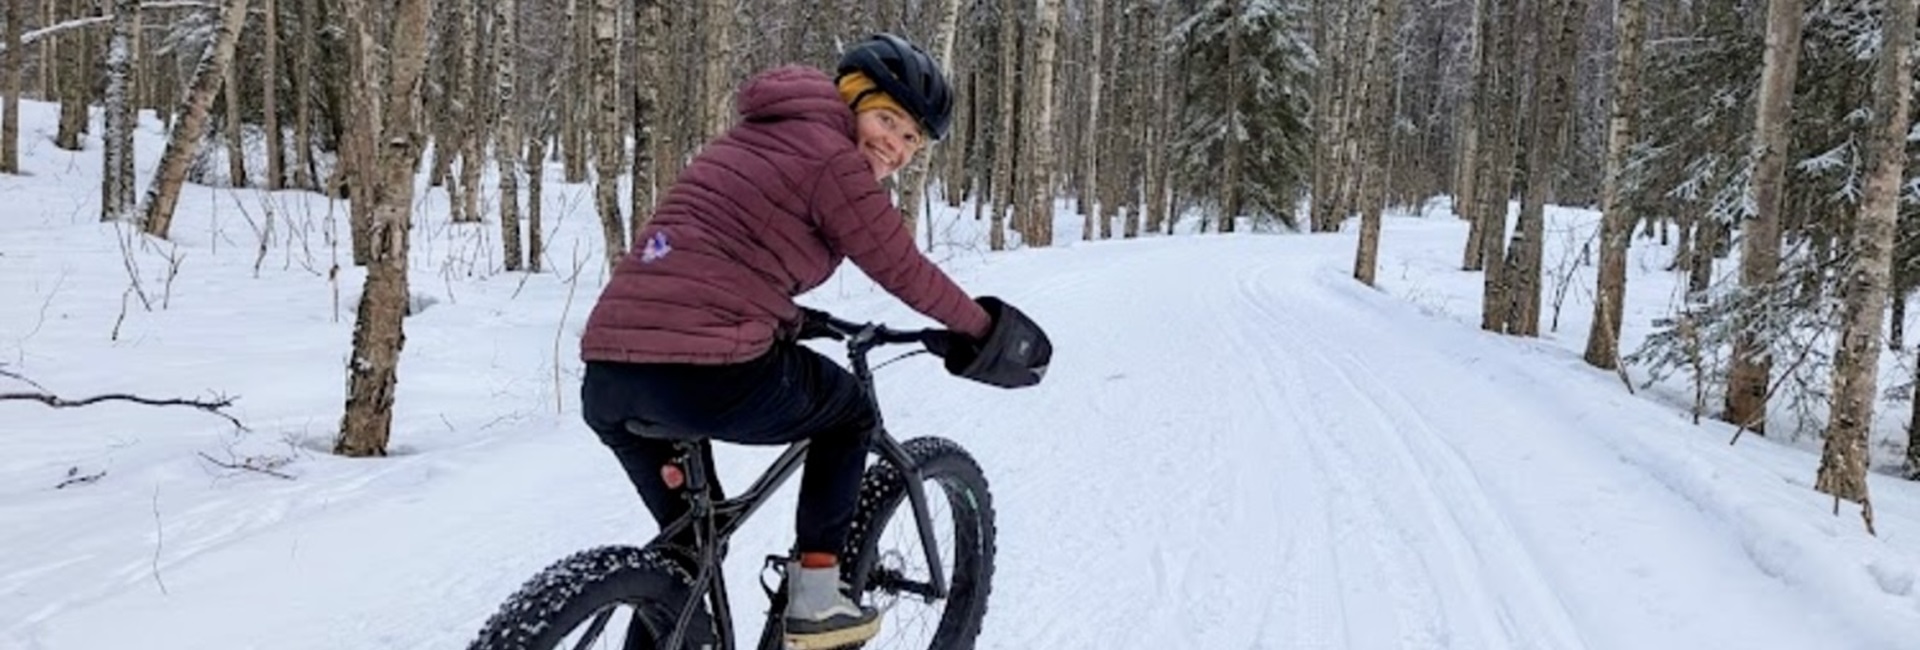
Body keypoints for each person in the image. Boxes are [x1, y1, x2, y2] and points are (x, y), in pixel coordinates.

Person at [577, 33, 1048, 650]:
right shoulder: (834, 159)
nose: (898, 148)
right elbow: (901, 267)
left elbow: (717, 256)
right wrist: (986, 331)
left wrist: (793, 319)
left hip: (610, 374)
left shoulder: (754, 137)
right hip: (706, 374)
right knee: (847, 413)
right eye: (888, 120)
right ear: (851, 100)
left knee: (689, 547)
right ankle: (817, 600)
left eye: (912, 138)